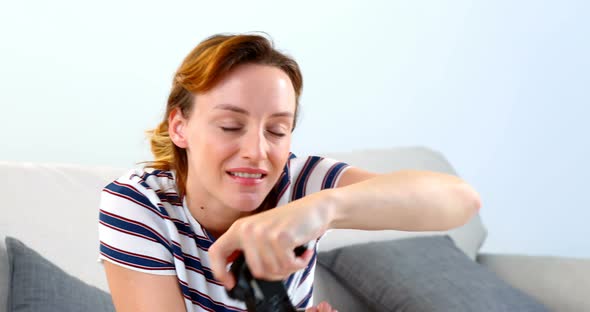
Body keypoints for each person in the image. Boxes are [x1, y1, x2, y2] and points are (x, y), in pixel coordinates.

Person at [98, 33, 481, 312]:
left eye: (277, 130)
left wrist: (322, 208)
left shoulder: (300, 183)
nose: (257, 151)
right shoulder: (137, 204)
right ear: (180, 127)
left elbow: (460, 202)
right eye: (231, 126)